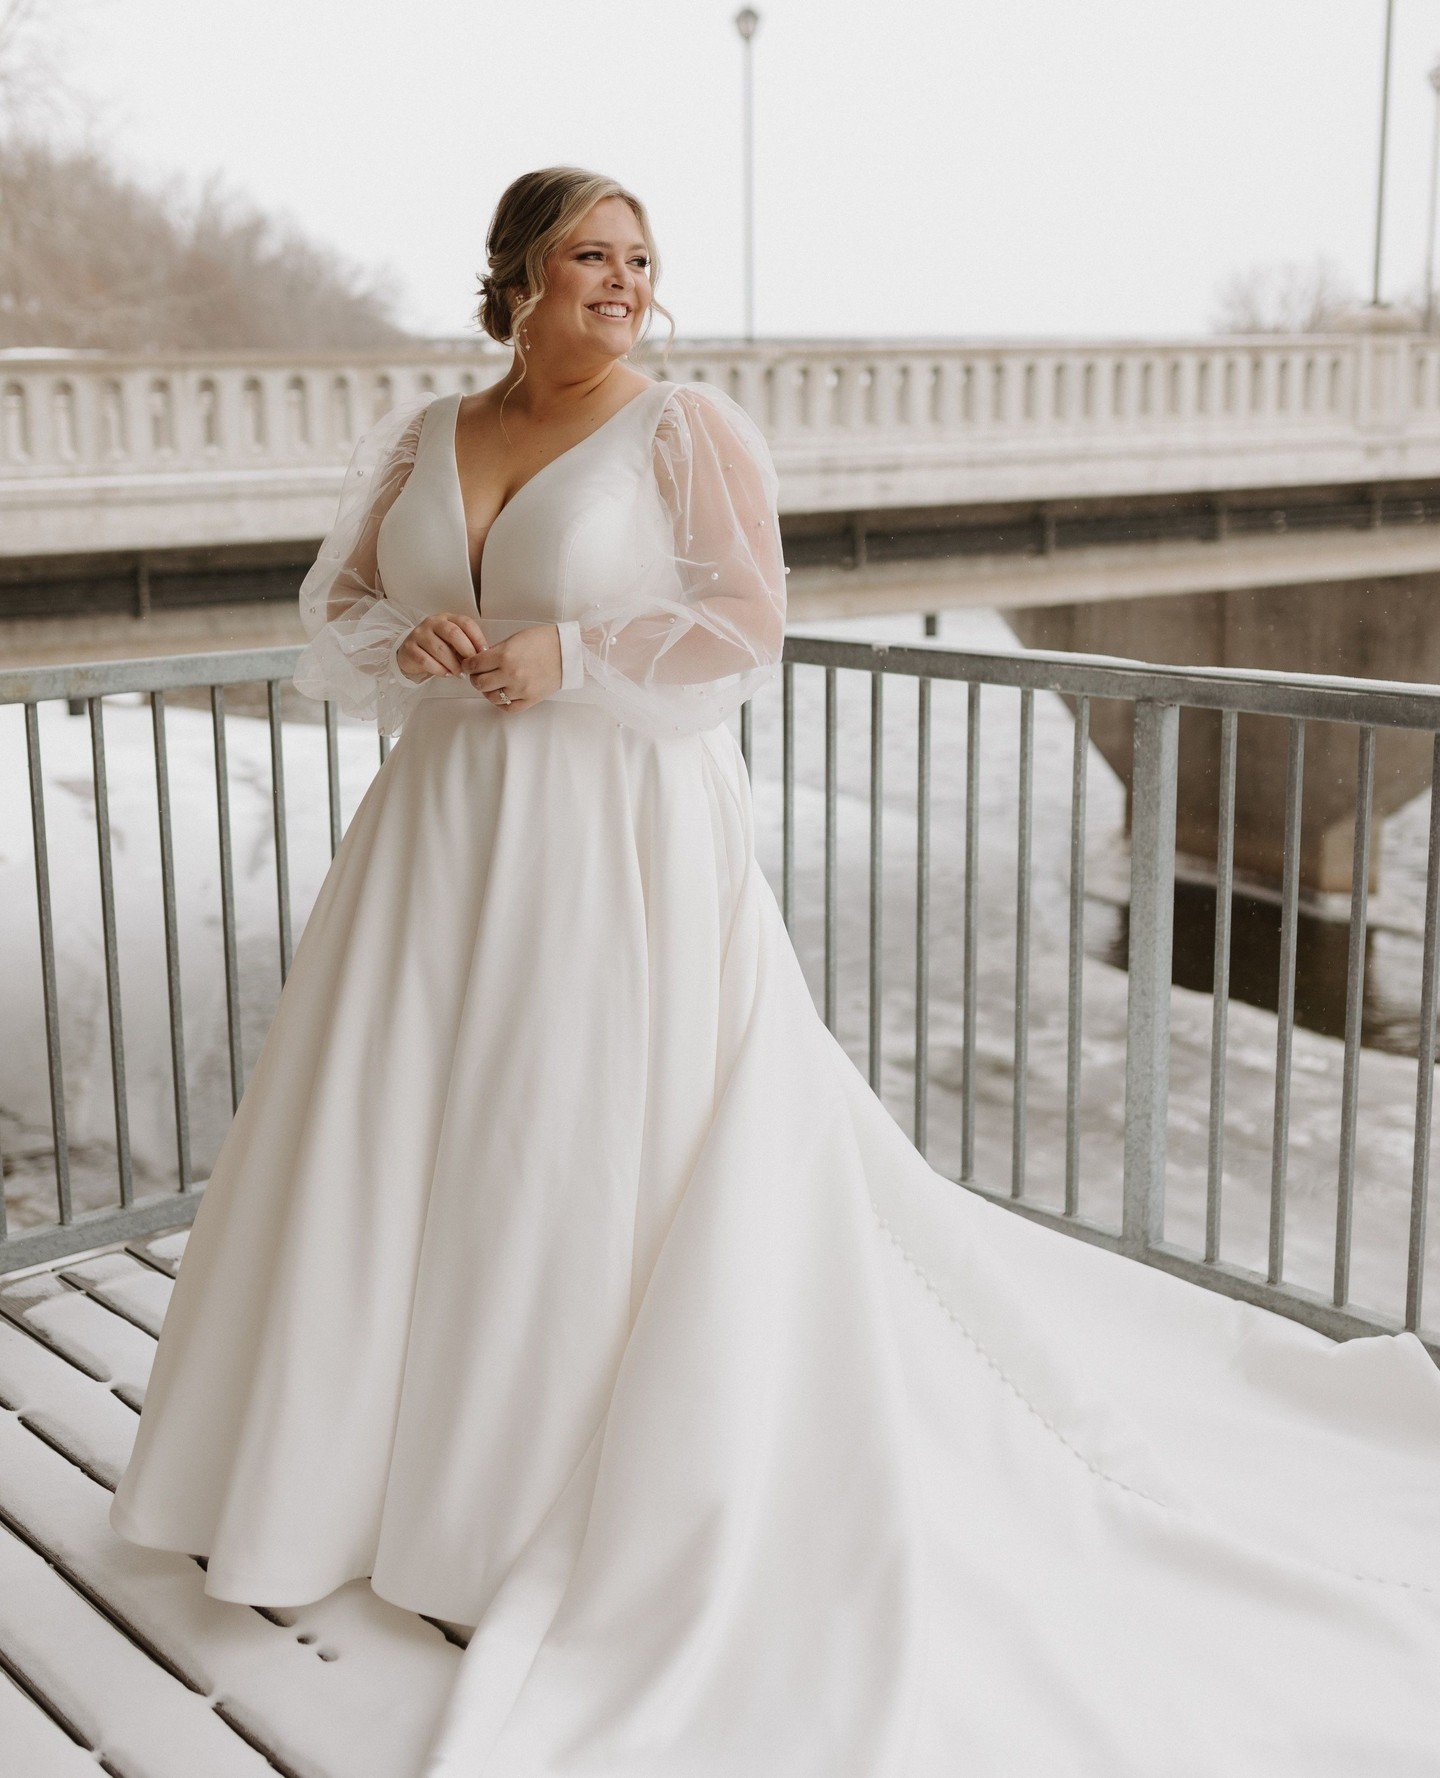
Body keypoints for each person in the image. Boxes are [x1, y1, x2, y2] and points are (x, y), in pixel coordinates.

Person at [109, 166, 1440, 1778]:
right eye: (588, 254)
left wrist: (574, 652)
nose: (620, 279)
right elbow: (341, 603)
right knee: (389, 1134)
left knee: (571, 1138)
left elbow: (747, 623)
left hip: (616, 840)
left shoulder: (684, 433)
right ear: (517, 274)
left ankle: (521, 1502)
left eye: (641, 258)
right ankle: (334, 1473)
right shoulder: (423, 434)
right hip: (440, 832)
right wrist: (424, 643)